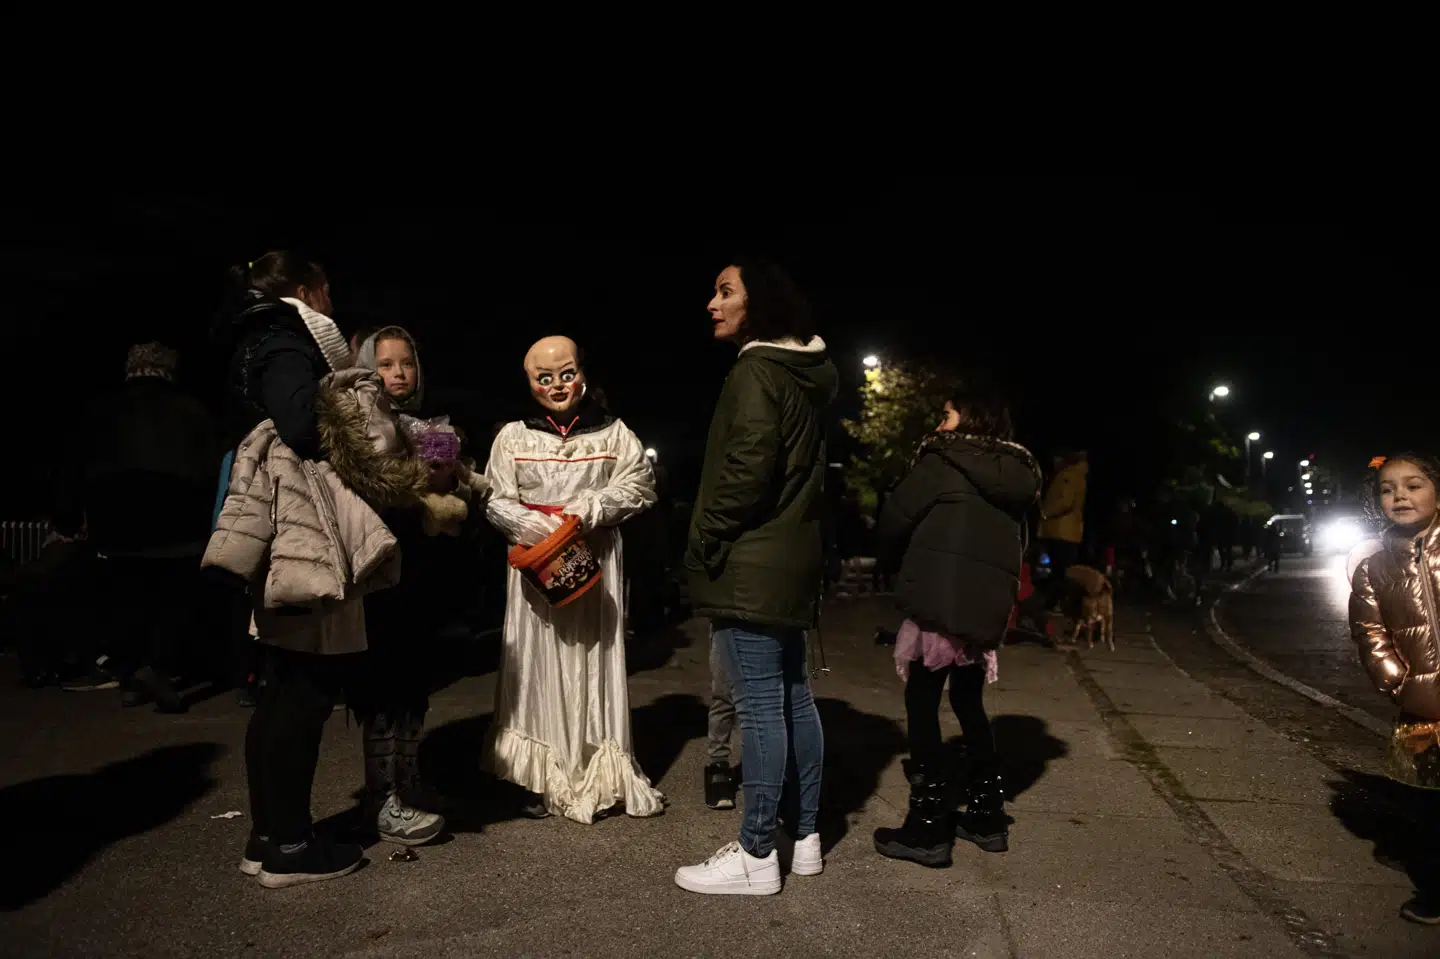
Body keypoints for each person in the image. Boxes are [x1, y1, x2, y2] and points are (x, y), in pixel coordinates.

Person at [209, 251, 426, 888]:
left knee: (284, 691)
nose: (332, 302)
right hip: (306, 537)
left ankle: (269, 834)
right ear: (308, 290)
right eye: (327, 290)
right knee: (301, 694)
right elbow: (303, 426)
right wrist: (355, 406)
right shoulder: (281, 339)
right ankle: (292, 845)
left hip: (289, 534)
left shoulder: (256, 338)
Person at [675, 258, 836, 896]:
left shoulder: (755, 371)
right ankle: (806, 839)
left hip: (751, 563)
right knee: (794, 696)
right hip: (790, 560)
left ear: (759, 304)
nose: (711, 303)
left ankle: (756, 853)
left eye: (724, 292)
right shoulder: (805, 373)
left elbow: (746, 469)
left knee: (761, 707)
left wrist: (704, 537)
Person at [482, 336, 664, 823]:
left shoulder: (614, 433)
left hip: (594, 560)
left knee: (593, 656)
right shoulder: (514, 437)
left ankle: (594, 764)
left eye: (566, 374)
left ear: (583, 372)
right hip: (537, 563)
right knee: (537, 663)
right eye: (544, 378)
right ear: (529, 382)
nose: (557, 386)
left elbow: (640, 484)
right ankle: (538, 773)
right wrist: (528, 525)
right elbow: (495, 496)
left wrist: (593, 508)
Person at [870, 386, 1040, 867]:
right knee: (968, 700)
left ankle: (927, 826)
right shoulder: (1020, 473)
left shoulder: (942, 460)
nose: (940, 423)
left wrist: (893, 561)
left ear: (968, 420)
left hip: (940, 597)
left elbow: (894, 519)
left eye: (947, 415)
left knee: (922, 700)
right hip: (985, 603)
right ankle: (987, 816)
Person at [350, 326, 487, 845]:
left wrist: (448, 474)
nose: (398, 374)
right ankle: (380, 797)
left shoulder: (431, 422)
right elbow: (367, 487)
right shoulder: (363, 423)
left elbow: (453, 494)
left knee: (415, 684)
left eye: (406, 363)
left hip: (423, 572)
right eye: (385, 364)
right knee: (383, 685)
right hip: (383, 572)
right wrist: (414, 476)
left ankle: (408, 784)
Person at [79, 342, 220, 710]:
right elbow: (208, 468)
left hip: (116, 522)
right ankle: (157, 668)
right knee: (171, 600)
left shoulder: (104, 410)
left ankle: (131, 674)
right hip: (178, 521)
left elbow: (80, 466)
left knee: (126, 600)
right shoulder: (191, 410)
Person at [1348, 452, 1440, 926]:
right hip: (1423, 707)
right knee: (1427, 802)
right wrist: (1398, 684)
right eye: (1387, 489)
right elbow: (1370, 635)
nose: (1400, 495)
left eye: (1414, 484)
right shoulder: (1373, 569)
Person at [1037, 450, 1087, 606]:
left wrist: (1045, 513)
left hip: (1061, 531)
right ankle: (1060, 602)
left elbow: (1065, 501)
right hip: (1063, 531)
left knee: (1059, 571)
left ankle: (1057, 603)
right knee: (1061, 570)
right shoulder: (1073, 474)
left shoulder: (1069, 475)